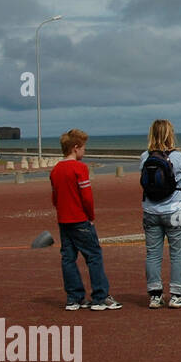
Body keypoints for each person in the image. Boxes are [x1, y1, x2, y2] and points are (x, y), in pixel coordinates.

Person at [50, 129, 118, 310]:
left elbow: (55, 197)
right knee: (94, 256)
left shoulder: (56, 170)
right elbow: (86, 197)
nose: (84, 151)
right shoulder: (80, 168)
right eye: (83, 147)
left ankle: (74, 297)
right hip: (80, 218)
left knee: (68, 258)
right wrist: (91, 216)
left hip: (63, 219)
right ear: (75, 148)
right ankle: (100, 296)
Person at [140, 119, 181, 309]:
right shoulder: (180, 157)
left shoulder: (145, 157)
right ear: (171, 134)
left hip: (150, 210)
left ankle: (155, 295)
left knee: (153, 253)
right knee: (177, 253)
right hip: (175, 210)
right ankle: (176, 294)